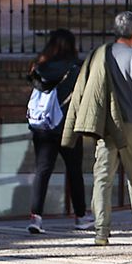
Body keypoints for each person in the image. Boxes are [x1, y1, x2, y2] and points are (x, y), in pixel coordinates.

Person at [77, 11, 132, 247]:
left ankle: (101, 233)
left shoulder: (100, 54)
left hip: (106, 127)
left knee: (102, 180)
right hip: (130, 126)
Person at [25, 29, 86, 235]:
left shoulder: (39, 67)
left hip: (42, 125)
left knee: (42, 171)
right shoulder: (75, 68)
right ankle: (80, 217)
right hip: (67, 126)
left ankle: (36, 217)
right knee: (74, 171)